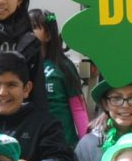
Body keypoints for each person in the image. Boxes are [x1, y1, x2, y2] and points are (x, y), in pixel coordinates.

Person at [29, 10, 88, 149]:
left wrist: (85, 142)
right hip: (34, 143)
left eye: (34, 27)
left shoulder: (63, 66)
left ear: (48, 35)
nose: (28, 32)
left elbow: (78, 107)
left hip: (63, 143)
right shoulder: (22, 65)